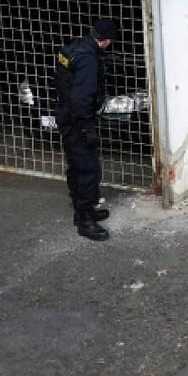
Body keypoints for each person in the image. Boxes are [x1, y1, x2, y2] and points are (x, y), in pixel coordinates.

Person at [55, 19, 119, 241]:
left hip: (66, 115)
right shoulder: (89, 60)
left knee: (76, 165)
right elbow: (81, 97)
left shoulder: (73, 48)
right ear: (106, 41)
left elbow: (64, 84)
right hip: (77, 120)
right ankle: (85, 220)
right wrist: (87, 127)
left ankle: (84, 210)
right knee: (88, 170)